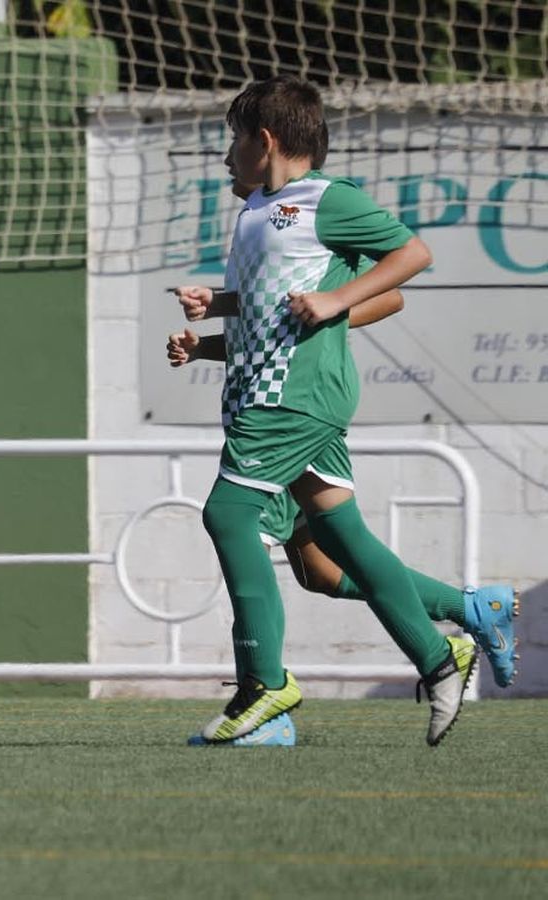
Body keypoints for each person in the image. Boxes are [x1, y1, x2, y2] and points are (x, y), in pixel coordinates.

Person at [172, 75, 484, 746]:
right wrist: (213, 316)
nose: (228, 156)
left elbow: (412, 254)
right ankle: (440, 655)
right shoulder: (258, 208)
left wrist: (340, 302)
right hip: (268, 389)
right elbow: (269, 302)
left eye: (234, 140)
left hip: (292, 394)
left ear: (266, 139)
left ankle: (264, 685)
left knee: (227, 514)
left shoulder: (327, 199)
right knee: (341, 541)